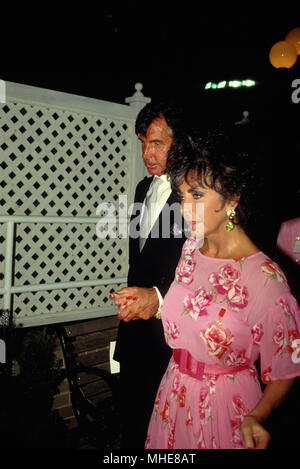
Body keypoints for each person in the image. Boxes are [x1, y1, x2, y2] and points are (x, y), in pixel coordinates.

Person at [145, 129, 300, 449]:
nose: (185, 207)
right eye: (182, 195)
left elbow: (286, 367)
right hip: (173, 396)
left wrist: (257, 416)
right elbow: (193, 311)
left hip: (223, 410)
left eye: (197, 195)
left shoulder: (266, 280)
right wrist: (153, 302)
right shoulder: (190, 249)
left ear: (232, 198)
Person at [110, 102, 188, 448]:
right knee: (132, 422)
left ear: (179, 143)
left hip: (173, 338)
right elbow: (140, 259)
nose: (146, 152)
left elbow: (198, 268)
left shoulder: (197, 193)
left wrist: (156, 297)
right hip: (133, 333)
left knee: (166, 433)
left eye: (156, 143)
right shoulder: (143, 189)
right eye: (143, 142)